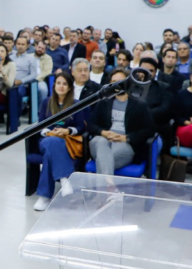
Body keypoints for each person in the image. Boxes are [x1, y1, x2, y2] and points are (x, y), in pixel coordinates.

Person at [32, 71, 87, 212]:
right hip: (47, 140)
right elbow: (40, 125)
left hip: (67, 142)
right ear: (54, 85)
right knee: (52, 142)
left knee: (50, 154)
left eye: (64, 84)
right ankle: (64, 177)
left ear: (69, 88)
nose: (61, 86)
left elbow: (81, 127)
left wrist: (67, 131)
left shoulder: (75, 104)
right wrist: (50, 132)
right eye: (58, 83)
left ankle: (44, 196)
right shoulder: (47, 102)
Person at [89, 68, 156, 176]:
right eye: (113, 82)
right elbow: (91, 125)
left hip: (125, 143)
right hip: (102, 140)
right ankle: (109, 185)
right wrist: (103, 133)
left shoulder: (139, 104)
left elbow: (149, 130)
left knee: (104, 159)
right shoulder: (104, 102)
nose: (116, 85)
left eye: (120, 81)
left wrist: (127, 137)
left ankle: (106, 186)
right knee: (101, 143)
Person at [0, 43, 17, 113]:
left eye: (2, 51)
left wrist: (3, 73)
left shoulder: (11, 64)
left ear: (6, 53)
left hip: (3, 92)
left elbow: (10, 84)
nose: (0, 53)